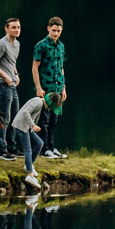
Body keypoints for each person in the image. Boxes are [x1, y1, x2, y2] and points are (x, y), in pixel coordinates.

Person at [31, 16, 69, 158]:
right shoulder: (41, 45)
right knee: (44, 120)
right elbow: (35, 68)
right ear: (48, 29)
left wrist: (64, 87)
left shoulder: (61, 46)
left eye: (58, 31)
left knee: (54, 119)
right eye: (53, 30)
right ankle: (44, 148)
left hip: (58, 88)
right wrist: (38, 87)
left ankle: (51, 147)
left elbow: (61, 68)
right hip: (45, 88)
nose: (56, 33)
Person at [0, 17, 22, 142]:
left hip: (12, 85)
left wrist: (16, 74)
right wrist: (5, 76)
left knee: (15, 118)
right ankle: (0, 149)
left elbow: (12, 62)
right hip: (2, 85)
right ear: (6, 28)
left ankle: (11, 147)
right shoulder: (2, 44)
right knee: (4, 119)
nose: (16, 30)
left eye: (18, 27)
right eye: (13, 27)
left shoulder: (16, 44)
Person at [8, 91, 52, 191]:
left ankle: (28, 165)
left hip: (27, 127)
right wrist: (33, 125)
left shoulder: (40, 103)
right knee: (28, 150)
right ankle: (30, 175)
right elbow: (25, 112)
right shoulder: (38, 102)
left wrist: (31, 126)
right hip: (21, 125)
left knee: (39, 143)